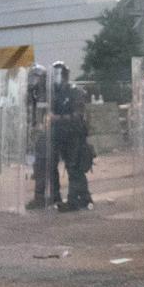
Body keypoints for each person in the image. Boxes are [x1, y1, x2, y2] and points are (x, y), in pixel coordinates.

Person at [49, 61, 93, 212]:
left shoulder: (74, 92)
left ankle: (74, 200)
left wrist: (58, 119)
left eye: (58, 75)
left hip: (75, 135)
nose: (56, 78)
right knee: (72, 167)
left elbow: (77, 116)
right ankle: (85, 198)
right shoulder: (56, 94)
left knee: (74, 167)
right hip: (62, 136)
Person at [25, 65, 59, 210]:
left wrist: (43, 127)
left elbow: (49, 114)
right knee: (40, 167)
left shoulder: (49, 94)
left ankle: (45, 197)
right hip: (37, 135)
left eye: (36, 78)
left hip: (48, 134)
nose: (34, 81)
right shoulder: (32, 95)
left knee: (45, 167)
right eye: (32, 78)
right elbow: (30, 114)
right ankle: (51, 196)